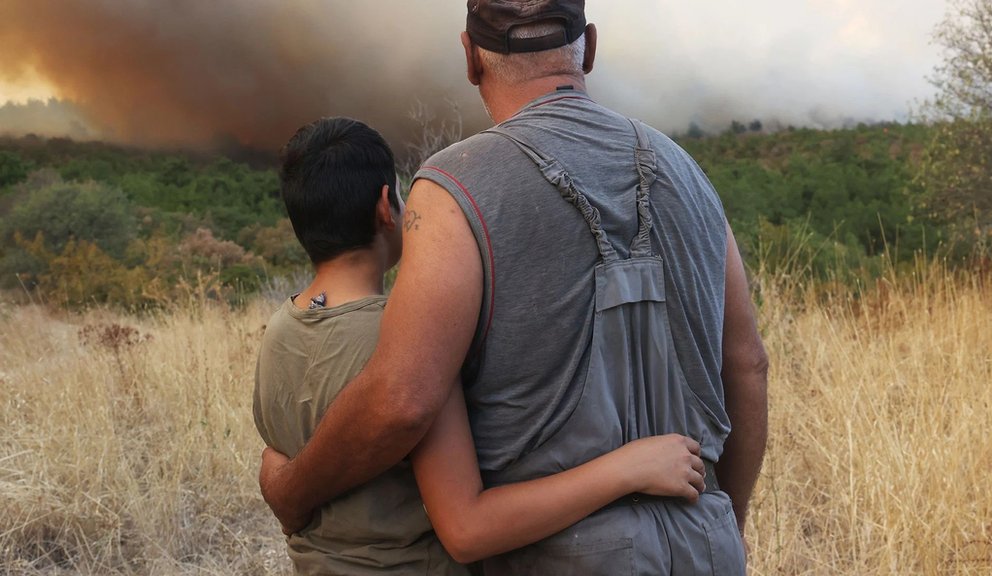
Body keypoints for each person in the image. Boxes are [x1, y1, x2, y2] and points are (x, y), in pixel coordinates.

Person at [261, 0, 769, 572]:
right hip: (709, 539)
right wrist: (728, 522)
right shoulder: (690, 173)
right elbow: (746, 362)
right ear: (591, 48)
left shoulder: (453, 188)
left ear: (471, 57)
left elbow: (404, 401)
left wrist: (291, 491)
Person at [254, 117, 714, 574]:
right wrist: (629, 469)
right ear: (384, 207)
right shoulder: (408, 341)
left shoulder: (278, 332)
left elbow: (282, 458)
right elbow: (469, 527)